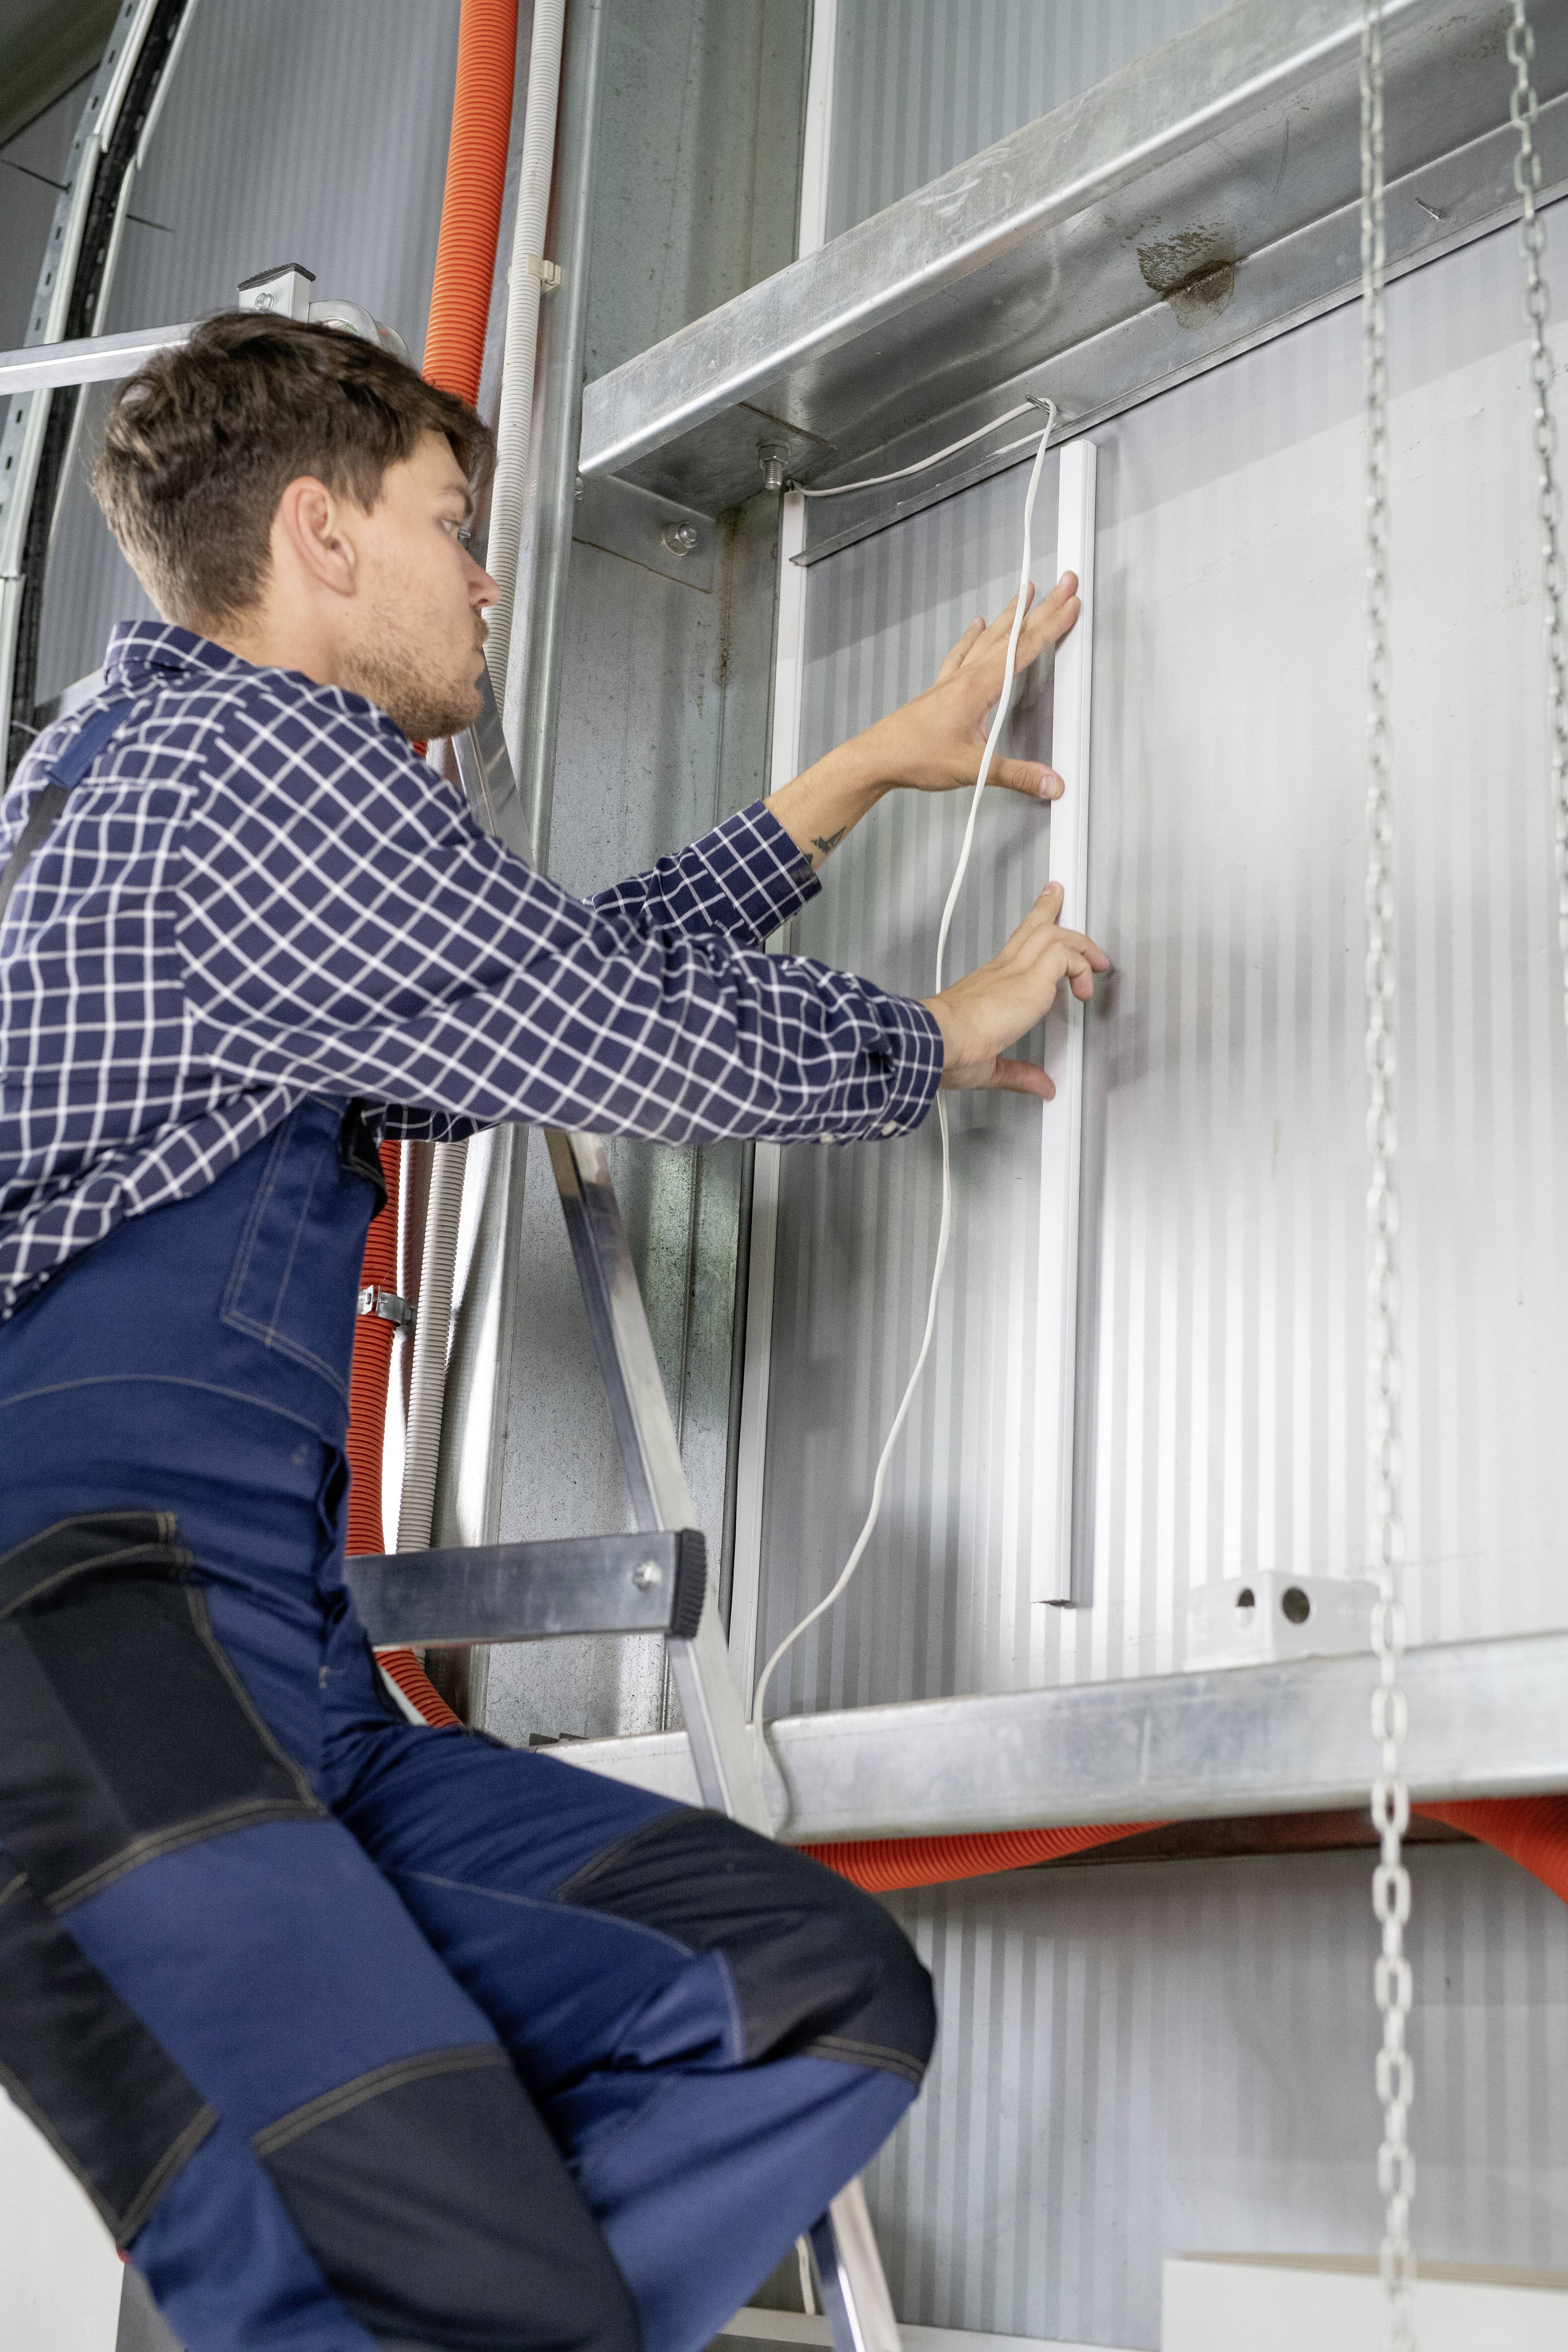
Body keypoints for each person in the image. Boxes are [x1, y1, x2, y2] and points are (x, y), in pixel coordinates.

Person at [0, 313, 1107, 2352]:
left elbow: (541, 975)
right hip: (93, 1652)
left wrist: (845, 786)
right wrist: (930, 1034)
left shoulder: (217, 804)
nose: (487, 572)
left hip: (276, 1681)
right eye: (454, 523)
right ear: (322, 539)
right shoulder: (248, 772)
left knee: (807, 2000)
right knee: (440, 2278)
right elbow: (599, 1027)